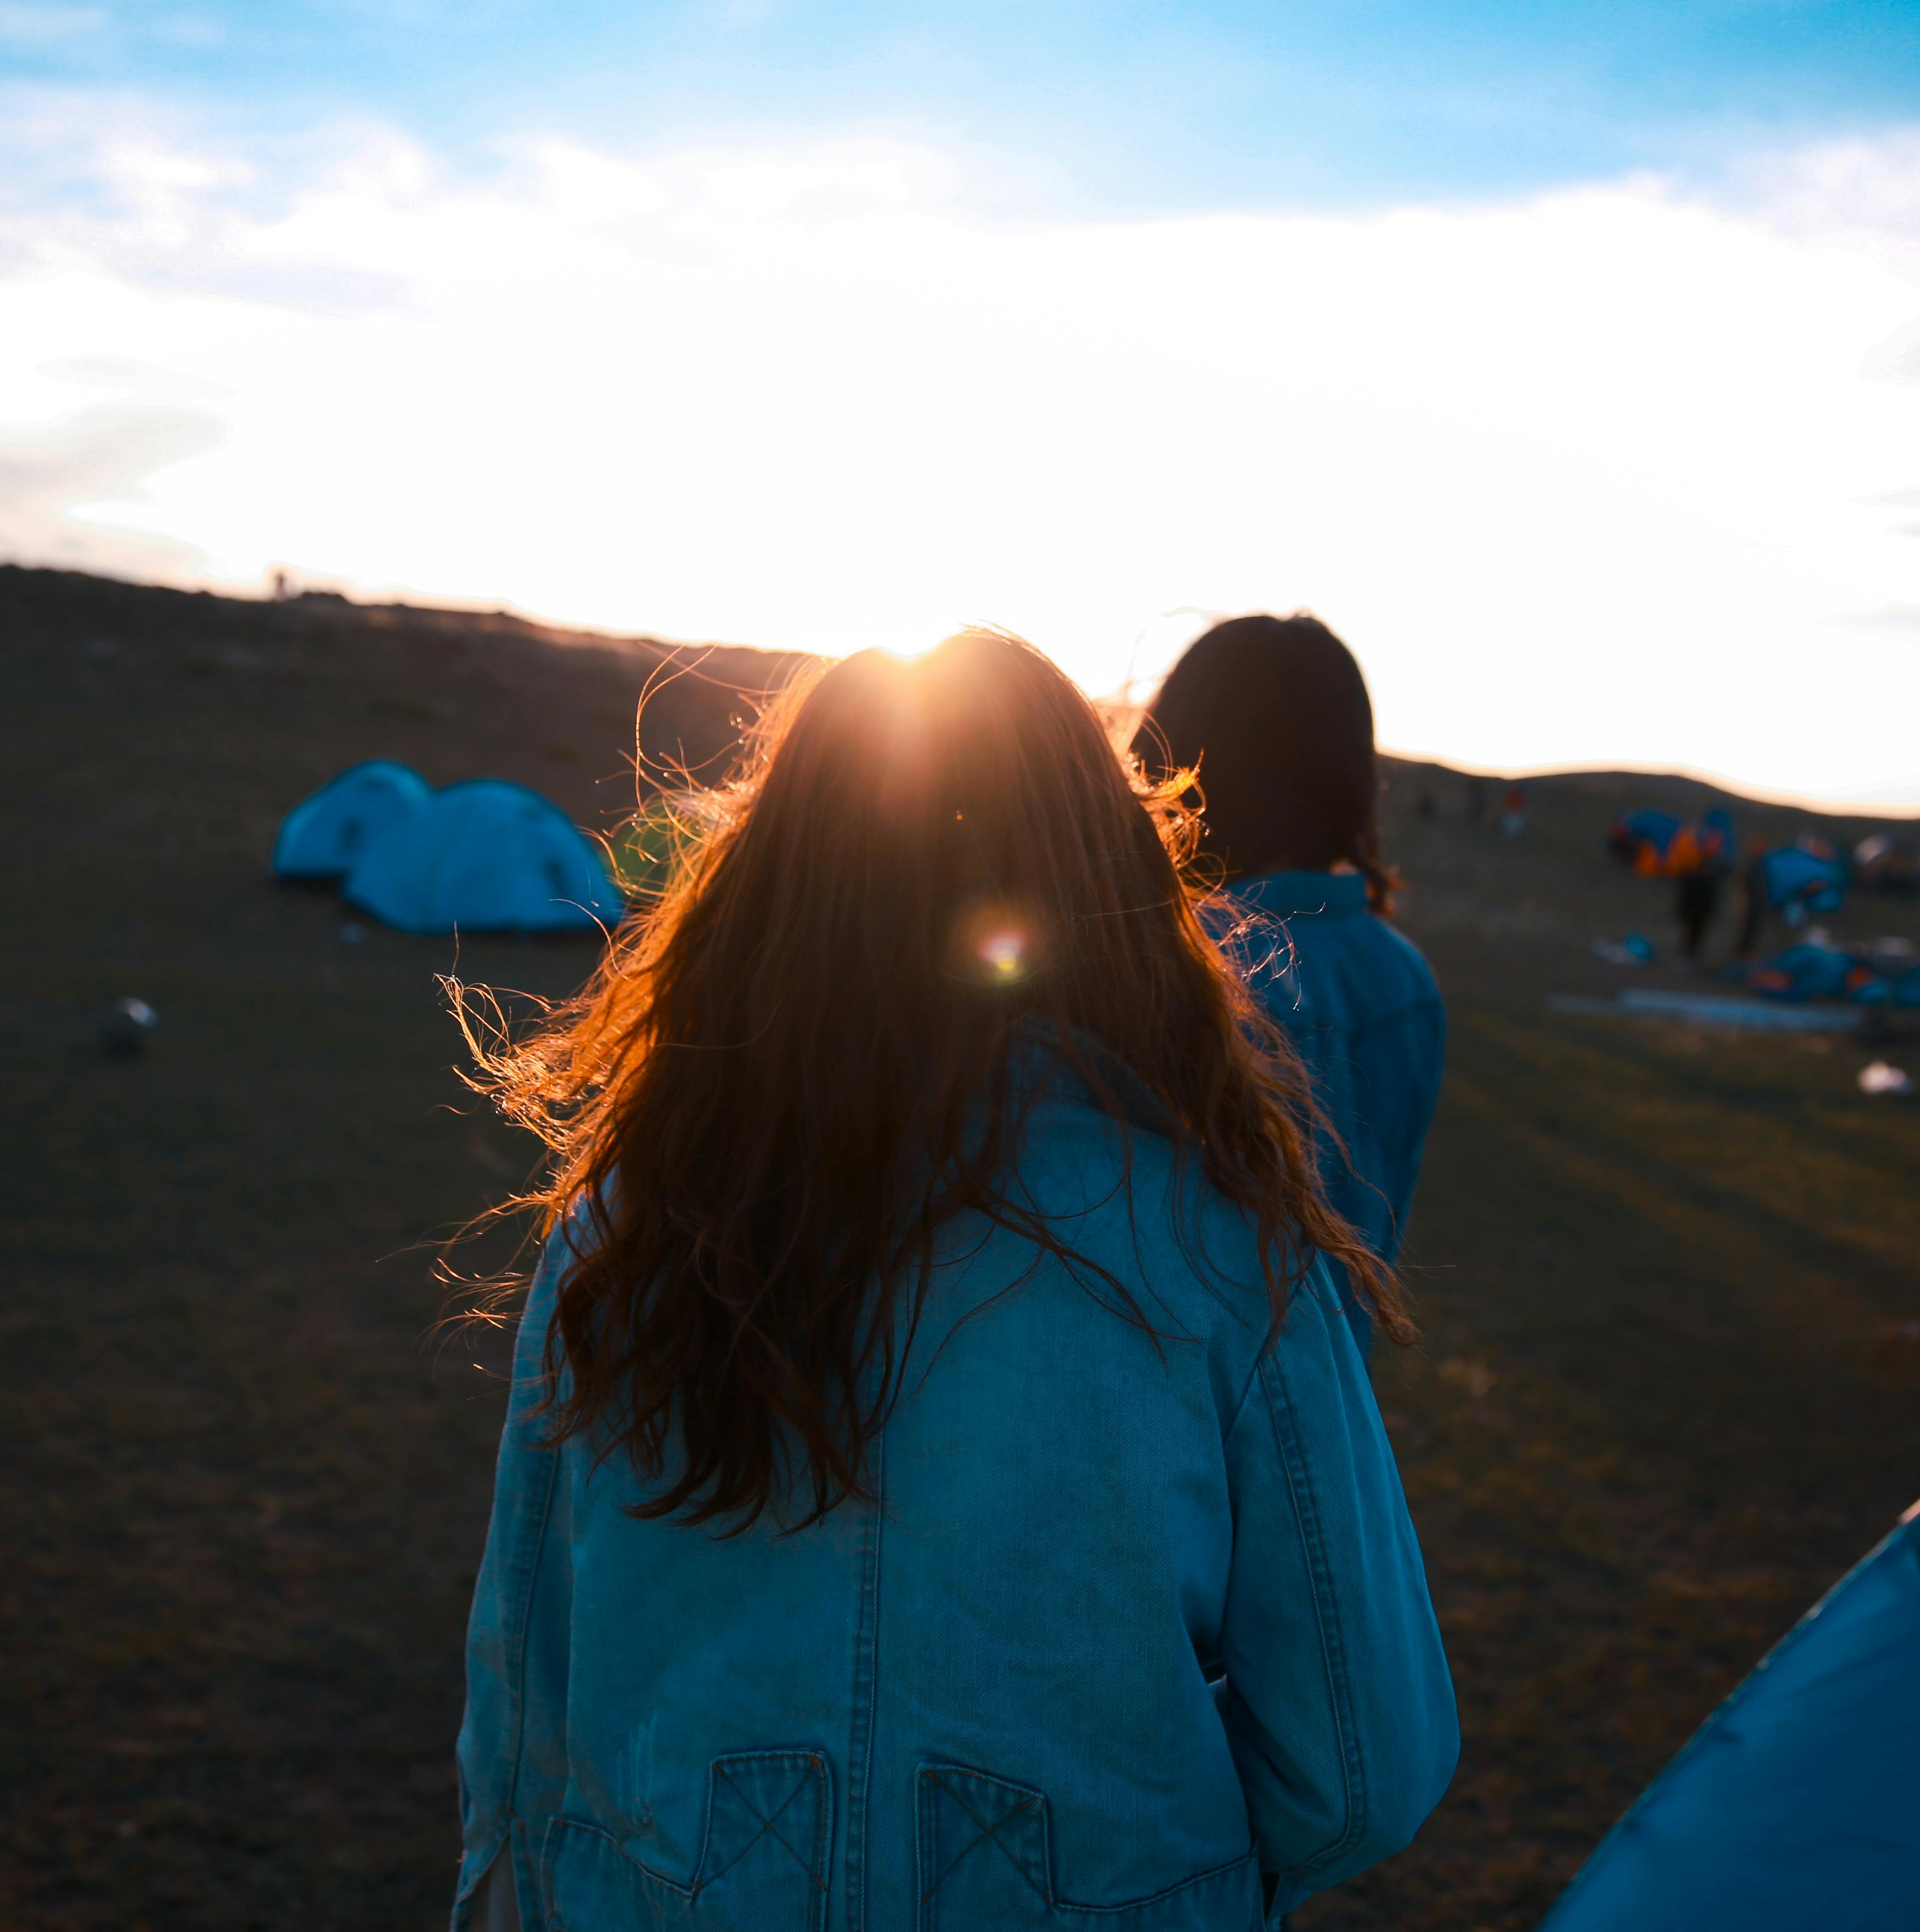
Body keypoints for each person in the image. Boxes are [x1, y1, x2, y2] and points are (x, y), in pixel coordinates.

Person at [451, 631, 1456, 1931]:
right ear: (1113, 889)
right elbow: (1363, 1778)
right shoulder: (1222, 1247)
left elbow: (525, 1698)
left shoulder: (629, 1219)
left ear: (773, 885)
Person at [1133, 614, 1446, 1352]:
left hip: (1198, 1400)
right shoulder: (1406, 976)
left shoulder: (1193, 973)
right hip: (1337, 1393)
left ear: (1180, 757)